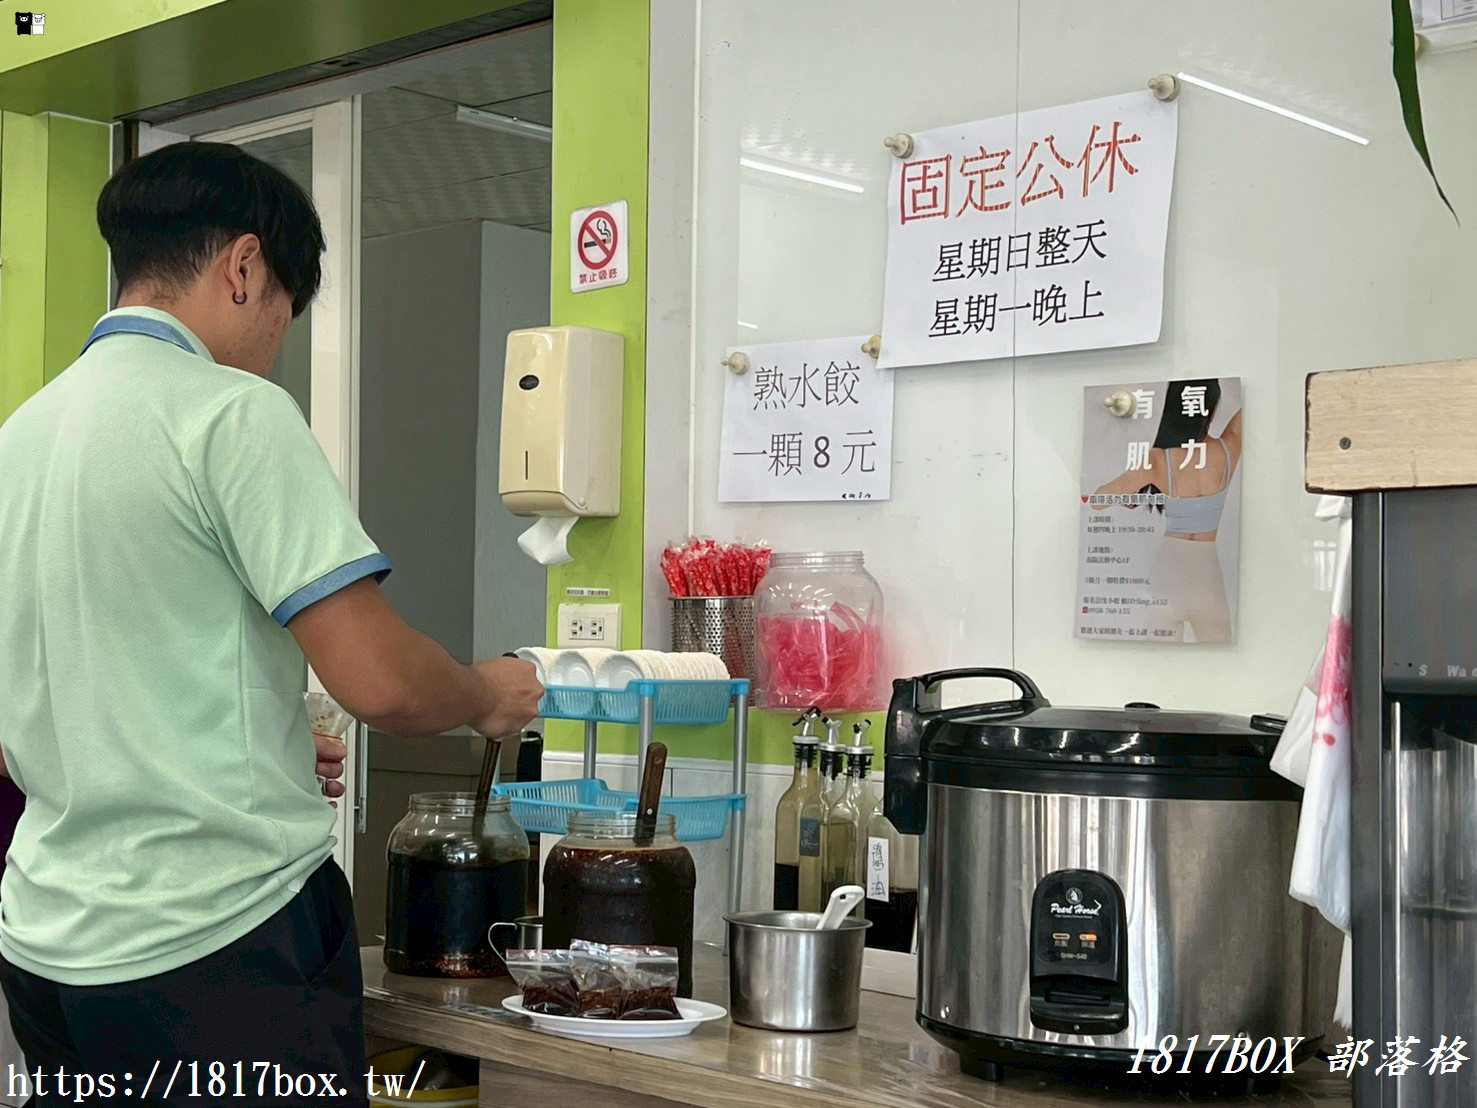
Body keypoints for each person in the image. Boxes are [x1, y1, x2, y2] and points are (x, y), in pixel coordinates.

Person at [0, 142, 544, 1106]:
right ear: (244, 268)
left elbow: (71, 688)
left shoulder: (23, 436)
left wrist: (261, 739)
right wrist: (486, 692)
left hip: (50, 953)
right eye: (287, 311)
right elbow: (379, 682)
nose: (275, 344)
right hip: (215, 946)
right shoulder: (231, 414)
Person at [1092, 379, 1243, 643]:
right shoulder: (1229, 448)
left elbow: (1097, 500)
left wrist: (1131, 494)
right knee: (1219, 668)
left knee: (1157, 666)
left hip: (1167, 574)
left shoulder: (1157, 460)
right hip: (1208, 576)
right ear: (1212, 408)